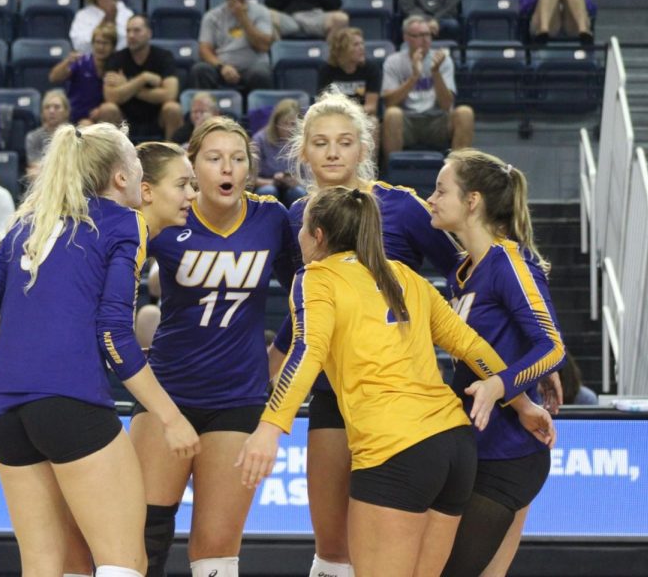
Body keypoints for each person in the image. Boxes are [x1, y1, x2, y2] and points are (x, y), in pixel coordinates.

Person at [238, 185, 556, 577]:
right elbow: (471, 345)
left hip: (396, 449)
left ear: (318, 235)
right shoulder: (403, 274)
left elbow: (307, 350)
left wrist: (270, 426)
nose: (299, 238)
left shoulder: (315, 277)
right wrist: (522, 402)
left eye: (303, 229)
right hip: (454, 446)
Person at [0, 122, 200, 577]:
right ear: (124, 179)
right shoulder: (122, 222)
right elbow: (114, 334)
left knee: (45, 565)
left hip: (4, 417)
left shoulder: (25, 225)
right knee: (124, 563)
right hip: (72, 405)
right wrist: (170, 416)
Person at [266, 89, 463, 577]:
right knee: (332, 548)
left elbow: (463, 272)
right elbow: (304, 317)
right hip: (334, 397)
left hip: (407, 403)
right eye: (321, 142)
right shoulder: (297, 217)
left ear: (364, 149)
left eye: (345, 142)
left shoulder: (403, 207)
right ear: (303, 152)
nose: (333, 152)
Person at [130, 116, 296, 577]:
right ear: (194, 166)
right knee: (143, 535)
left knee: (216, 550)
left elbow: (310, 301)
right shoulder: (171, 216)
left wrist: (277, 356)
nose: (228, 168)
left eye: (238, 159)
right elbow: (110, 290)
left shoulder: (271, 219)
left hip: (238, 398)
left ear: (250, 167)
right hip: (167, 393)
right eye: (215, 158)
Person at [427, 149, 566, 577]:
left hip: (509, 456)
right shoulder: (463, 272)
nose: (431, 198)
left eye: (440, 189)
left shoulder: (510, 262)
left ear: (472, 201)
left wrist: (501, 386)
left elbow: (553, 346)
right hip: (472, 448)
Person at [381, 16, 474, 162]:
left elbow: (446, 105)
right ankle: (393, 176)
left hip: (436, 120)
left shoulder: (442, 60)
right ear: (406, 37)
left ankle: (457, 173)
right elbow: (389, 102)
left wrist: (435, 72)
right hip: (407, 121)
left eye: (427, 35)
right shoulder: (394, 61)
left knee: (465, 113)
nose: (424, 40)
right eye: (418, 36)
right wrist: (413, 78)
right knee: (392, 114)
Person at [132, 141, 197, 350]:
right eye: (182, 185)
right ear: (146, 191)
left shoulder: (147, 237)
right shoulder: (122, 241)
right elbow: (112, 334)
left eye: (192, 185)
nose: (192, 194)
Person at [102, 15, 183, 140]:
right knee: (107, 109)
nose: (131, 35)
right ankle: (111, 157)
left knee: (173, 108)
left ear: (149, 33)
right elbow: (110, 96)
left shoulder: (164, 57)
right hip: (125, 118)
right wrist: (143, 79)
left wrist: (127, 85)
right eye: (128, 31)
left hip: (157, 117)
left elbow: (170, 94)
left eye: (137, 30)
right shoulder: (116, 58)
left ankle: (172, 155)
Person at [191, 0, 274, 95]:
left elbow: (263, 46)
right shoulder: (212, 15)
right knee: (200, 70)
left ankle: (260, 112)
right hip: (222, 66)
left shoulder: (261, 12)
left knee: (261, 74)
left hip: (252, 66)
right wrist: (222, 67)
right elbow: (204, 49)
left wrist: (243, 18)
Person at [50, 22, 118, 127]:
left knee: (110, 110)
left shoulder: (117, 65)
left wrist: (100, 110)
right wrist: (67, 62)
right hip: (77, 118)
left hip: (102, 117)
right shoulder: (82, 62)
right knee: (86, 125)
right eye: (97, 42)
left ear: (113, 47)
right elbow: (54, 78)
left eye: (105, 43)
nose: (100, 47)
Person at [251, 98, 307, 208]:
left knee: (298, 192)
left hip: (292, 186)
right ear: (275, 123)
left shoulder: (303, 140)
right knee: (269, 191)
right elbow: (250, 178)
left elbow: (310, 179)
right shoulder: (260, 139)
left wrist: (296, 181)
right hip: (267, 185)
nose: (288, 128)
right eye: (284, 124)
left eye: (292, 124)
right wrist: (273, 182)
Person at [318, 27, 380, 119]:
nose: (361, 48)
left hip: (362, 116)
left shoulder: (371, 68)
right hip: (335, 116)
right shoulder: (327, 70)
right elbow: (324, 103)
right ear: (342, 49)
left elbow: (371, 106)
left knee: (373, 122)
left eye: (362, 43)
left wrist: (350, 114)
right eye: (356, 45)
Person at [520, 0, 595, 46]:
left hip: (570, 23)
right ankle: (543, 30)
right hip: (544, 23)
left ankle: (583, 30)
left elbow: (590, 6)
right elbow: (524, 7)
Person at [265, 0, 348, 39]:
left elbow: (335, 4)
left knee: (341, 18)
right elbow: (270, 3)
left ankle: (331, 59)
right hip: (290, 18)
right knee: (266, 15)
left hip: (315, 18)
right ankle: (277, 55)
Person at [70, 0, 134, 55]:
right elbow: (79, 45)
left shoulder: (126, 13)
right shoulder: (82, 16)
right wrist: (106, 22)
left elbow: (130, 41)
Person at [398, 0, 462, 42]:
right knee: (409, 27)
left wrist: (436, 20)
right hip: (417, 18)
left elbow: (451, 5)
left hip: (443, 18)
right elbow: (408, 6)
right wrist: (427, 21)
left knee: (452, 25)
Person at [25, 89, 72, 177]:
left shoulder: (75, 135)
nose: (51, 111)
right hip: (43, 180)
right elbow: (34, 166)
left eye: (57, 107)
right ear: (42, 113)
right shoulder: (34, 137)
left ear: (66, 112)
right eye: (47, 107)